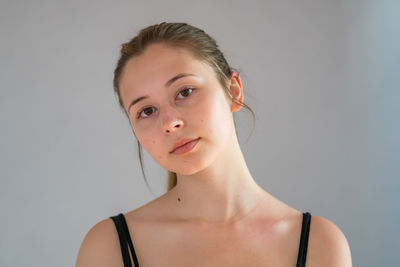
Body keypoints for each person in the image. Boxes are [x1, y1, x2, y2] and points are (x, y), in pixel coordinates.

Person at [76, 22, 352, 267]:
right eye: (146, 111)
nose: (170, 123)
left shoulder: (319, 243)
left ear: (233, 91)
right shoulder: (109, 248)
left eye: (184, 92)